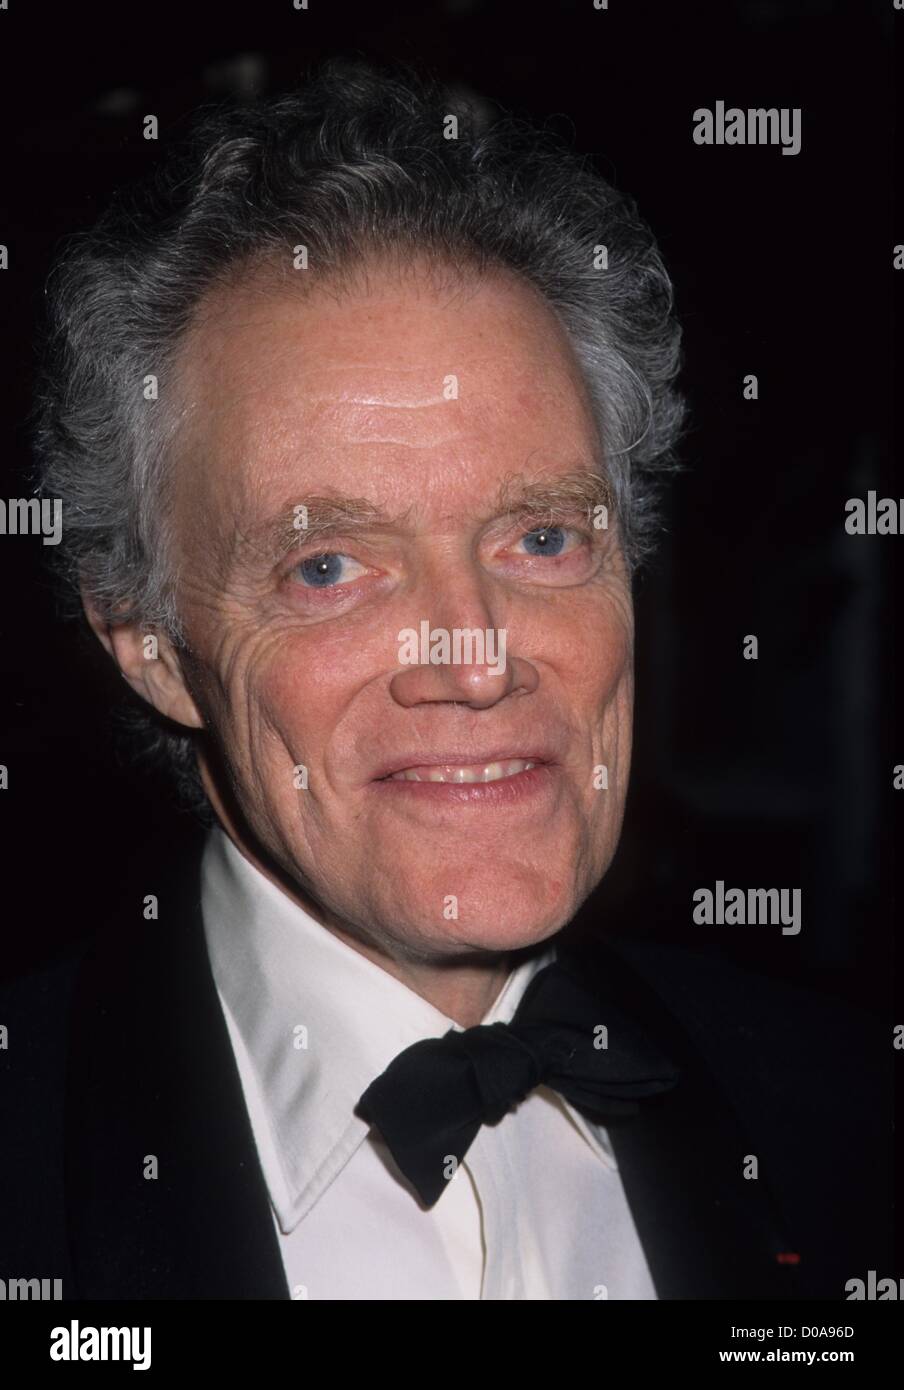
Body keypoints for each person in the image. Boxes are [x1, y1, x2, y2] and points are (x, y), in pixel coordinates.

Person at [0, 58, 890, 1300]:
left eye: (540, 538)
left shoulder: (850, 1119)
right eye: (327, 566)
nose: (475, 658)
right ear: (149, 641)